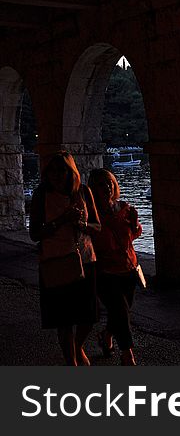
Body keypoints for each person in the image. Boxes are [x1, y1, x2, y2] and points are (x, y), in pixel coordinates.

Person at [29, 151, 101, 366]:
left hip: (85, 260)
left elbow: (97, 226)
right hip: (56, 261)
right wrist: (62, 220)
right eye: (52, 170)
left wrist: (81, 224)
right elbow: (34, 233)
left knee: (88, 316)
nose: (57, 175)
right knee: (64, 318)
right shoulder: (42, 195)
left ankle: (77, 346)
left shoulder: (84, 192)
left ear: (72, 172)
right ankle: (72, 362)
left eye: (62, 170)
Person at [87, 168, 143, 366]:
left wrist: (135, 225)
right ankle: (127, 354)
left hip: (128, 267)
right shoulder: (90, 215)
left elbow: (133, 235)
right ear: (93, 188)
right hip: (105, 271)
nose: (107, 187)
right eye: (101, 184)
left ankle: (107, 334)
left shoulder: (124, 208)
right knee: (120, 309)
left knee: (120, 310)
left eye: (110, 183)